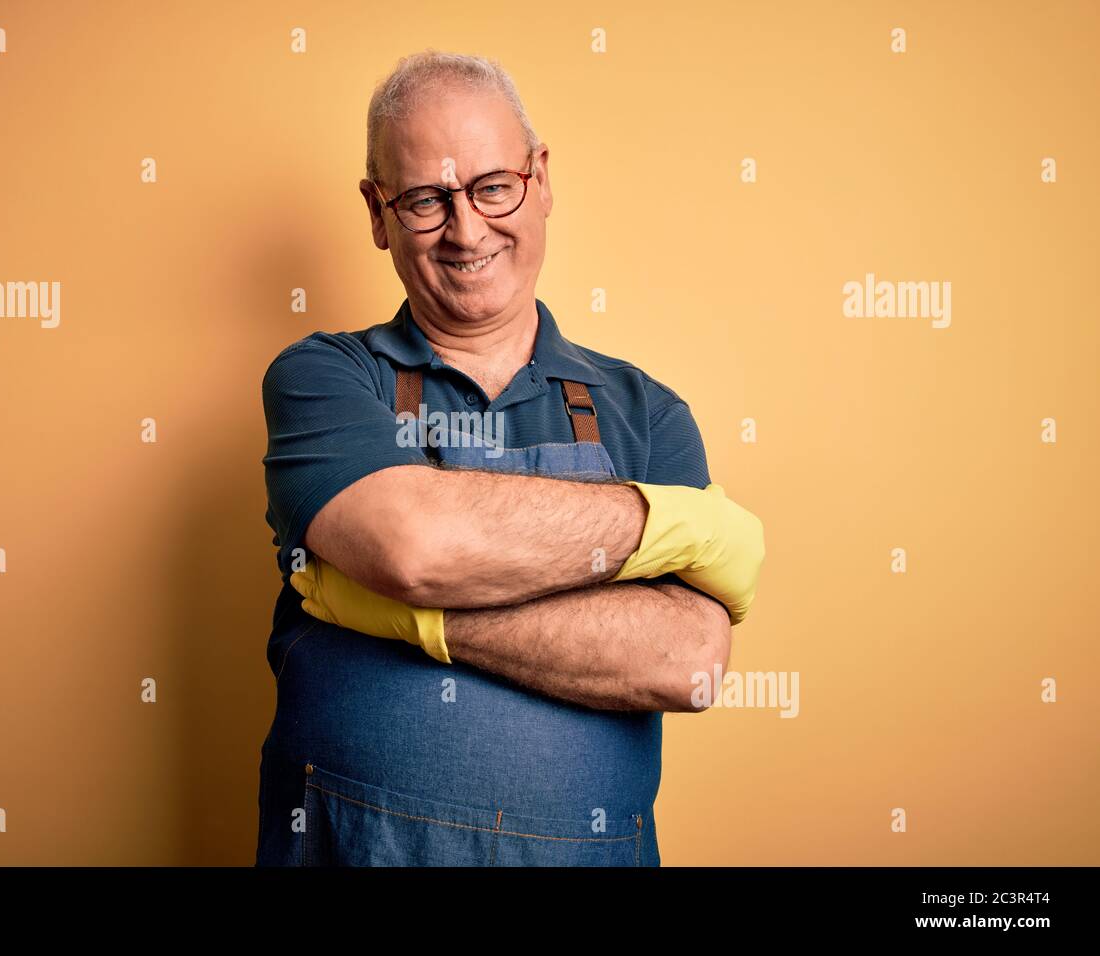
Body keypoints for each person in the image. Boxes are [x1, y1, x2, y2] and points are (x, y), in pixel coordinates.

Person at [255, 50, 765, 866]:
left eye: (494, 186)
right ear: (378, 212)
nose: (466, 230)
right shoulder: (323, 377)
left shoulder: (648, 414)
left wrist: (394, 609)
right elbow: (414, 547)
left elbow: (687, 660)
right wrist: (676, 525)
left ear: (542, 178)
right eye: (426, 199)